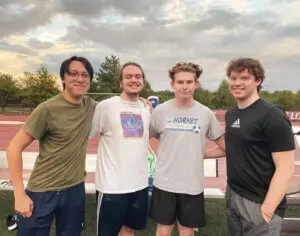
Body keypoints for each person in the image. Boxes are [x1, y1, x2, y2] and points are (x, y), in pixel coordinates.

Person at [6, 56, 96, 236]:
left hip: (74, 188)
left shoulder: (91, 106)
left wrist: (141, 101)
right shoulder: (47, 109)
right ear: (63, 78)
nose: (80, 79)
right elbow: (13, 148)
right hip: (43, 189)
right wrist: (19, 195)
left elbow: (119, 106)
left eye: (85, 75)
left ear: (90, 80)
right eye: (74, 74)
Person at [208, 58, 295, 235]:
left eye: (244, 78)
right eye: (233, 78)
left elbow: (286, 167)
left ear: (258, 81)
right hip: (233, 196)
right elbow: (230, 148)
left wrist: (267, 210)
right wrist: (194, 152)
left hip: (259, 202)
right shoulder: (232, 115)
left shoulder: (272, 115)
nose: (237, 83)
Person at [149, 62, 225, 236]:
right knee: (163, 231)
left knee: (186, 231)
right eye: (180, 82)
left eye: (189, 82)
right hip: (164, 183)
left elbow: (225, 147)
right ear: (172, 84)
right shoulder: (160, 111)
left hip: (192, 184)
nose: (185, 86)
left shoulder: (205, 113)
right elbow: (141, 139)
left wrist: (202, 153)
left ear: (196, 84)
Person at [90, 62, 151, 236]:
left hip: (139, 185)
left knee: (129, 230)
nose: (134, 80)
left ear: (143, 81)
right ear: (120, 82)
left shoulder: (146, 108)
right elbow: (89, 134)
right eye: (129, 76)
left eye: (138, 76)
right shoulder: (106, 107)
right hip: (112, 188)